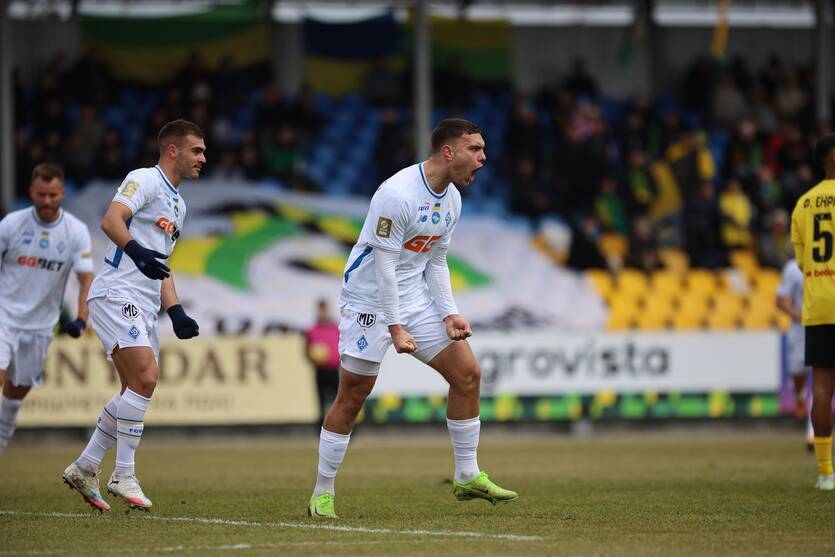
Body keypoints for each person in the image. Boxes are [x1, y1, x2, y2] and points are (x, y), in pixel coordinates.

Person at [307, 118, 518, 519]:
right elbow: (384, 267)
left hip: (414, 297)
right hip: (369, 301)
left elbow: (435, 260)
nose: (483, 158)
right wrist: (394, 326)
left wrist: (449, 311)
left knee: (467, 374)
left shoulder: (452, 199)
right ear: (448, 152)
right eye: (475, 149)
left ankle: (467, 475)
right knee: (353, 395)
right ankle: (322, 492)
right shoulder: (396, 194)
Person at [62, 120, 205, 511]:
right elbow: (111, 220)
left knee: (134, 390)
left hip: (144, 303)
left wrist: (175, 311)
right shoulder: (144, 179)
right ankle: (123, 473)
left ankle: (86, 465)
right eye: (197, 151)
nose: (203, 159)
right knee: (146, 378)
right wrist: (135, 251)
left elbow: (164, 265)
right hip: (114, 293)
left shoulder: (180, 204)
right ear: (172, 150)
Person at [0, 163, 93, 454]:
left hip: (40, 326)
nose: (47, 201)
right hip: (5, 316)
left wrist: (81, 319)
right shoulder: (11, 225)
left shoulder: (76, 232)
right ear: (31, 191)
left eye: (53, 195)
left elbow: (85, 280)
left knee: (15, 394)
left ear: (62, 192)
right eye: (41, 195)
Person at [789, 133, 835, 491]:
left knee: (821, 389)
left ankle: (825, 473)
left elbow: (803, 262)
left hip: (819, 305)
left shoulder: (802, 205)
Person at [775, 258, 814, 448]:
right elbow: (780, 300)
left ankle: (812, 434)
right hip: (799, 331)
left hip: (823, 327)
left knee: (820, 378)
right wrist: (798, 314)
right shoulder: (792, 268)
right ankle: (799, 396)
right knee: (798, 373)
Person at [305, 299, 340, 425]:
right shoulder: (312, 330)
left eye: (324, 309)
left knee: (340, 401)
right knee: (321, 402)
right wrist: (313, 358)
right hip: (320, 371)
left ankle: (344, 429)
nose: (323, 312)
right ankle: (321, 430)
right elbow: (306, 351)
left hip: (336, 370)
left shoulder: (336, 328)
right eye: (320, 310)